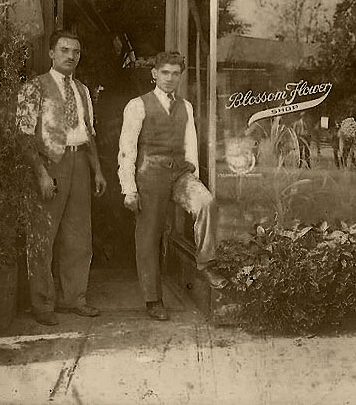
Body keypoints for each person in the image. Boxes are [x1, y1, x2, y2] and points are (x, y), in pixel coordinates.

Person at [118, 51, 227, 322]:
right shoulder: (137, 105)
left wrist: (194, 175)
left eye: (175, 74)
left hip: (179, 174)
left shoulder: (186, 107)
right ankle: (153, 299)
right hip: (150, 175)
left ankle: (206, 262)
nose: (169, 78)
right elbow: (126, 151)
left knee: (206, 202)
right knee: (148, 236)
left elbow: (191, 145)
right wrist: (128, 188)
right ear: (154, 73)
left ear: (180, 77)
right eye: (164, 72)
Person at [16, 30, 107, 326]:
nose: (71, 56)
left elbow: (88, 131)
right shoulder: (34, 88)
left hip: (79, 161)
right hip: (49, 163)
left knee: (78, 235)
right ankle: (43, 303)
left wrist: (97, 170)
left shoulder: (82, 90)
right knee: (43, 236)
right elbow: (24, 137)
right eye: (65, 50)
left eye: (76, 52)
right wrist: (41, 174)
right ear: (52, 54)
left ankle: (74, 298)